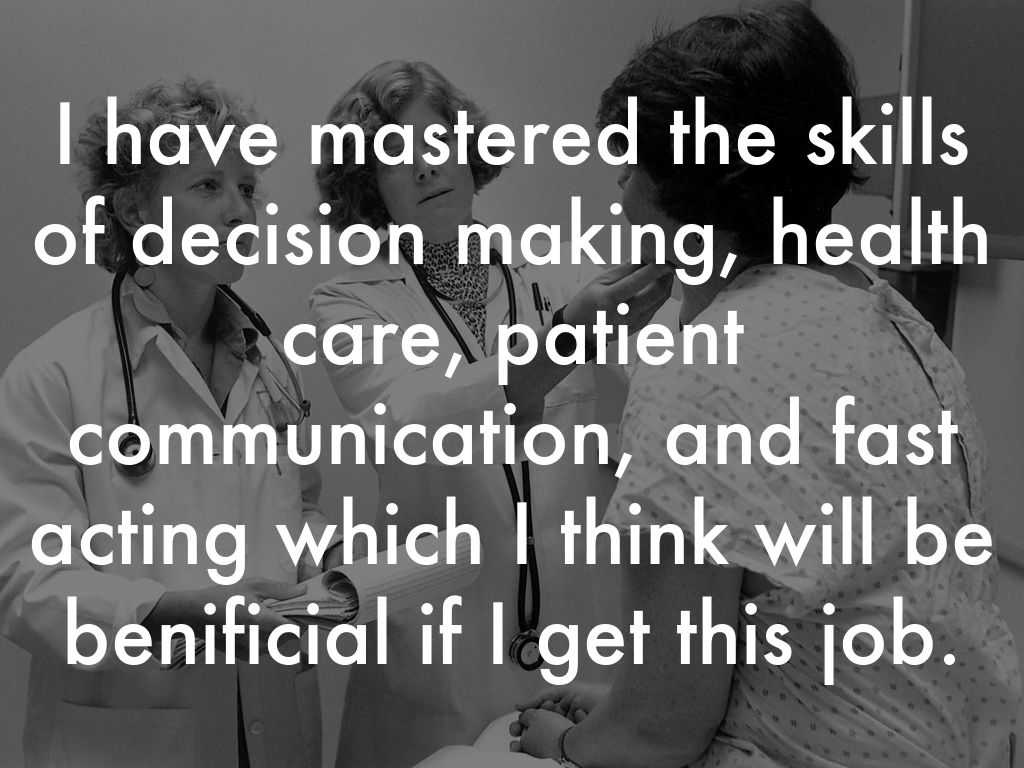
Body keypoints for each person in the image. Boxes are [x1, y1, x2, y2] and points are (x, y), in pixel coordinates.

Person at [421, 5, 1021, 767]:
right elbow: (813, 608)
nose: (620, 191)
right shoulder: (901, 326)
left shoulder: (701, 371)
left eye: (631, 165)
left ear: (689, 186)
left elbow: (656, 736)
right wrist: (630, 703)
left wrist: (569, 742)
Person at [310, 60, 674, 767]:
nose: (423, 168)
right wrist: (566, 339)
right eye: (394, 157)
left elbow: (652, 411)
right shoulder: (349, 301)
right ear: (368, 185)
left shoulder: (565, 276)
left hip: (576, 632)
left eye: (436, 143)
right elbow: (412, 418)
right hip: (441, 651)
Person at [0, 79, 337, 768]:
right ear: (132, 208)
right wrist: (174, 610)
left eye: (248, 188)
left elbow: (297, 509)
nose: (240, 210)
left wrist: (328, 566)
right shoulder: (53, 373)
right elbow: (26, 580)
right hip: (136, 731)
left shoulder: (272, 366)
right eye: (209, 185)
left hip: (269, 712)